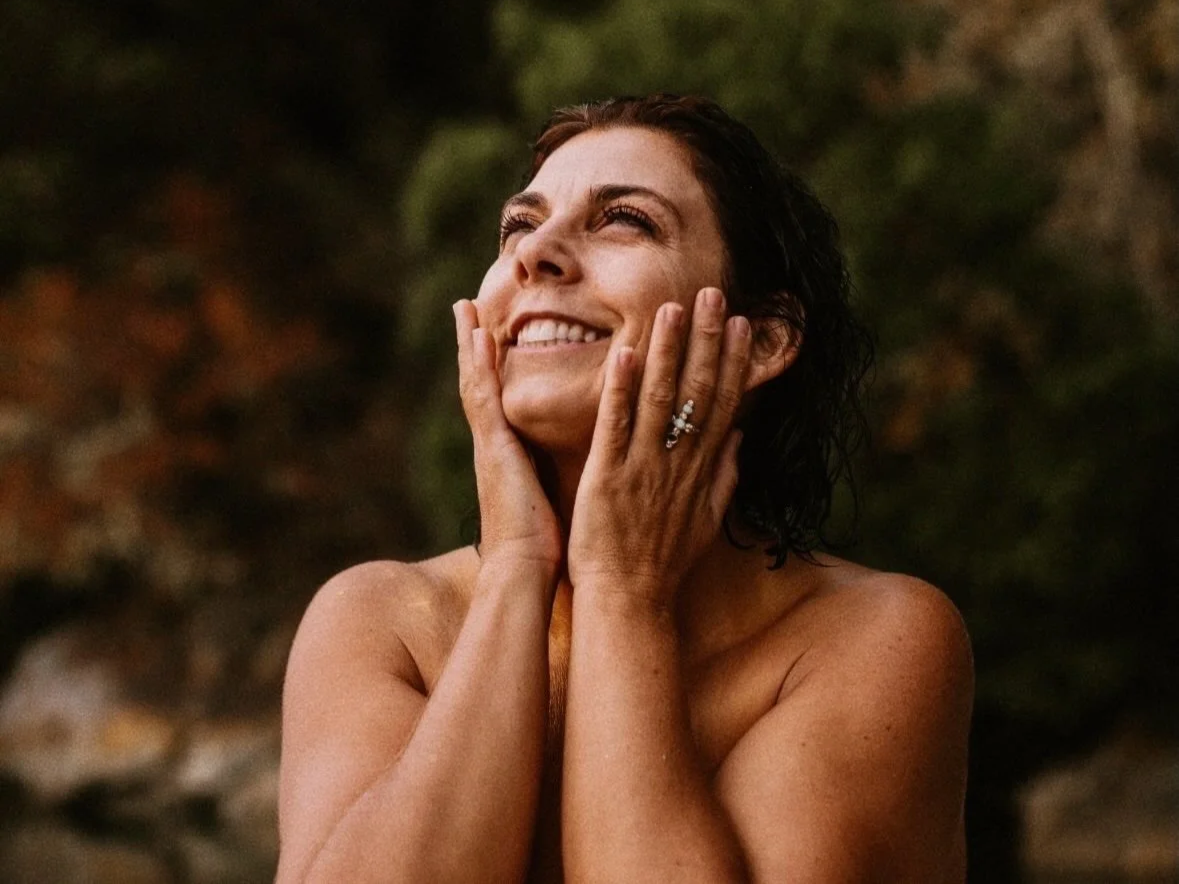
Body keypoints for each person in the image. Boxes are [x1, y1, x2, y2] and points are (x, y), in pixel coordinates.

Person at [276, 94, 974, 883]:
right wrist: (514, 565)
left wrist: (623, 591)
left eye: (624, 221)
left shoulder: (874, 638)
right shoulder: (378, 621)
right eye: (518, 227)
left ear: (763, 341)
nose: (535, 254)